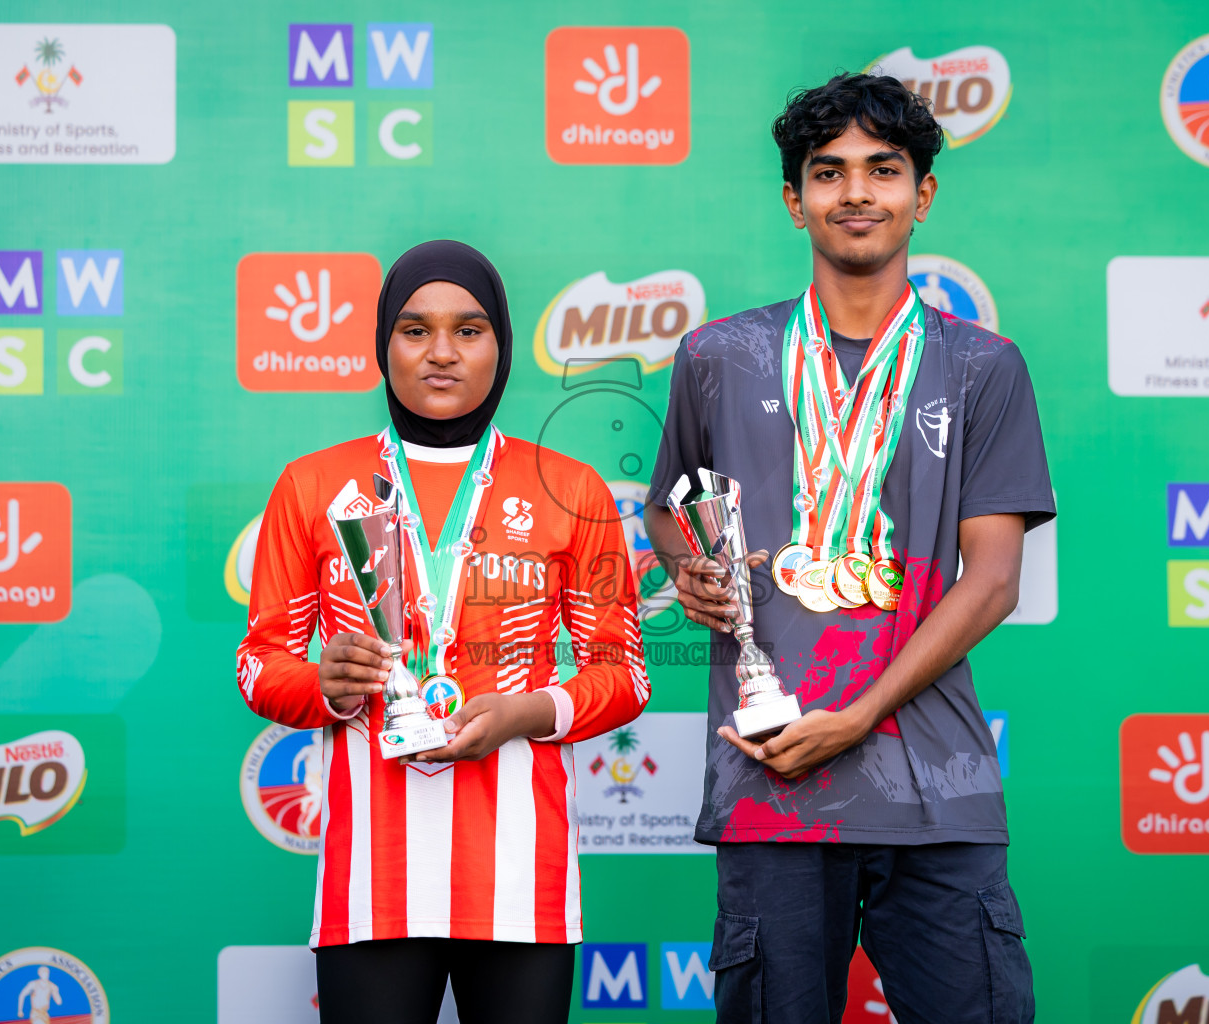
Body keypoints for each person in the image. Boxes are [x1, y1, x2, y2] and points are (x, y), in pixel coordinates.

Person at [644, 73, 1053, 1024]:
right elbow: (671, 509)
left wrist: (860, 713)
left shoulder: (984, 366)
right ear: (795, 201)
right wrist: (685, 568)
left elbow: (991, 581)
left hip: (933, 785)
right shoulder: (718, 357)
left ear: (924, 194)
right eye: (828, 174)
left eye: (884, 170)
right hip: (771, 772)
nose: (856, 193)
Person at [237, 240, 650, 1024]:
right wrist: (325, 684)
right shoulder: (314, 485)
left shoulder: (570, 487)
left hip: (520, 883)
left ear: (500, 343)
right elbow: (260, 667)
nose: (440, 353)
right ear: (382, 343)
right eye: (414, 329)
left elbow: (624, 674)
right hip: (372, 885)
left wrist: (525, 714)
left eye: (468, 330)